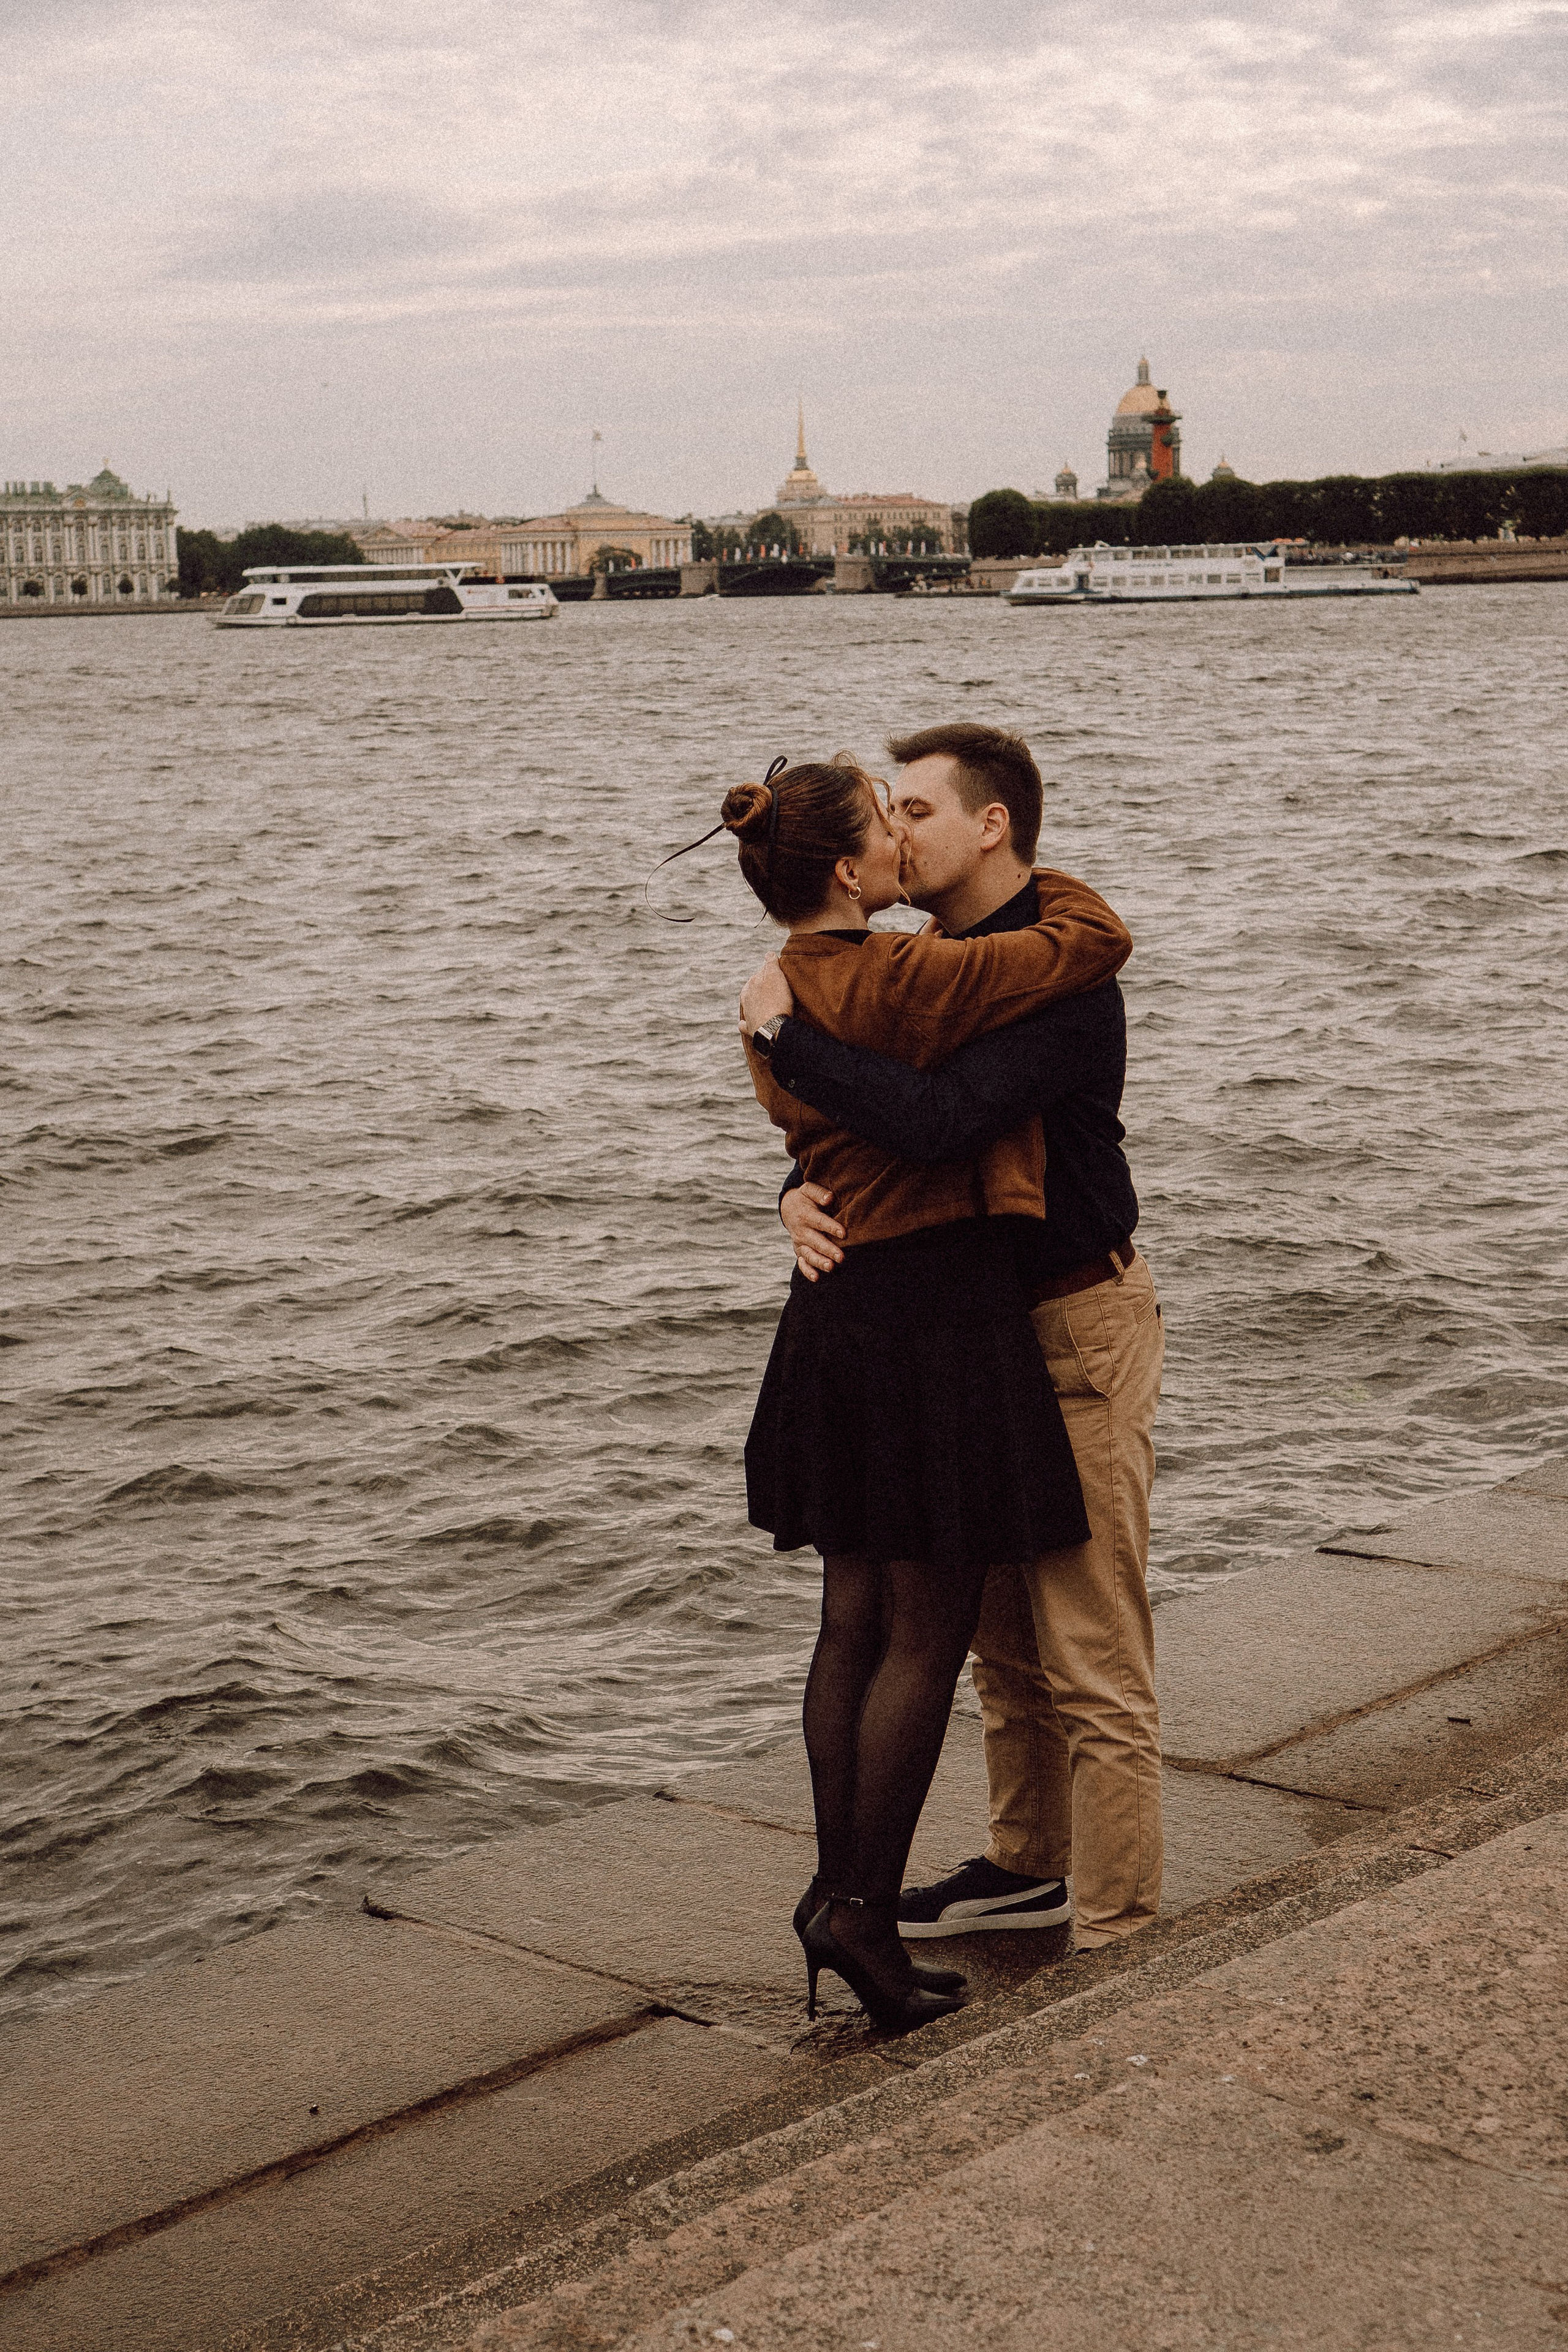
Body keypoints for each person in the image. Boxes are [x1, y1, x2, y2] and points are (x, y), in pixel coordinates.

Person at [705, 753, 1131, 2031]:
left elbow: (831, 1130)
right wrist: (1027, 856)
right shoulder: (912, 975)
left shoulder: (779, 990)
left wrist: (790, 1121)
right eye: (885, 820)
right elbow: (1093, 939)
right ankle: (858, 1911)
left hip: (836, 1317)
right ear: (848, 869)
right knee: (928, 1629)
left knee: (851, 1617)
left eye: (914, 809)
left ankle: (838, 1894)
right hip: (933, 1319)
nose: (900, 833)